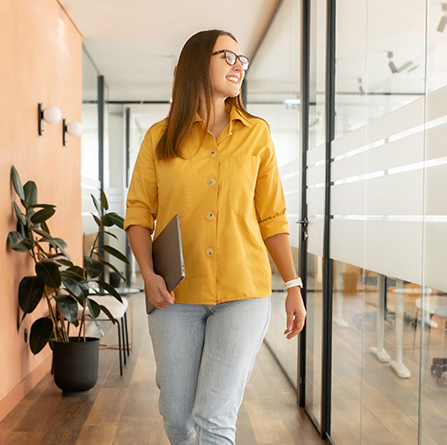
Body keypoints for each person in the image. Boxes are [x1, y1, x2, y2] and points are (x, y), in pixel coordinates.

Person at [123, 29, 307, 445]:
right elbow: (138, 213)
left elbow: (272, 216)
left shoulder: (256, 134)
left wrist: (293, 284)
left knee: (214, 416)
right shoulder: (159, 137)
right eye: (228, 56)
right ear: (196, 62)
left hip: (243, 294)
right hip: (175, 297)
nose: (238, 65)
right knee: (176, 412)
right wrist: (148, 274)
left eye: (242, 59)